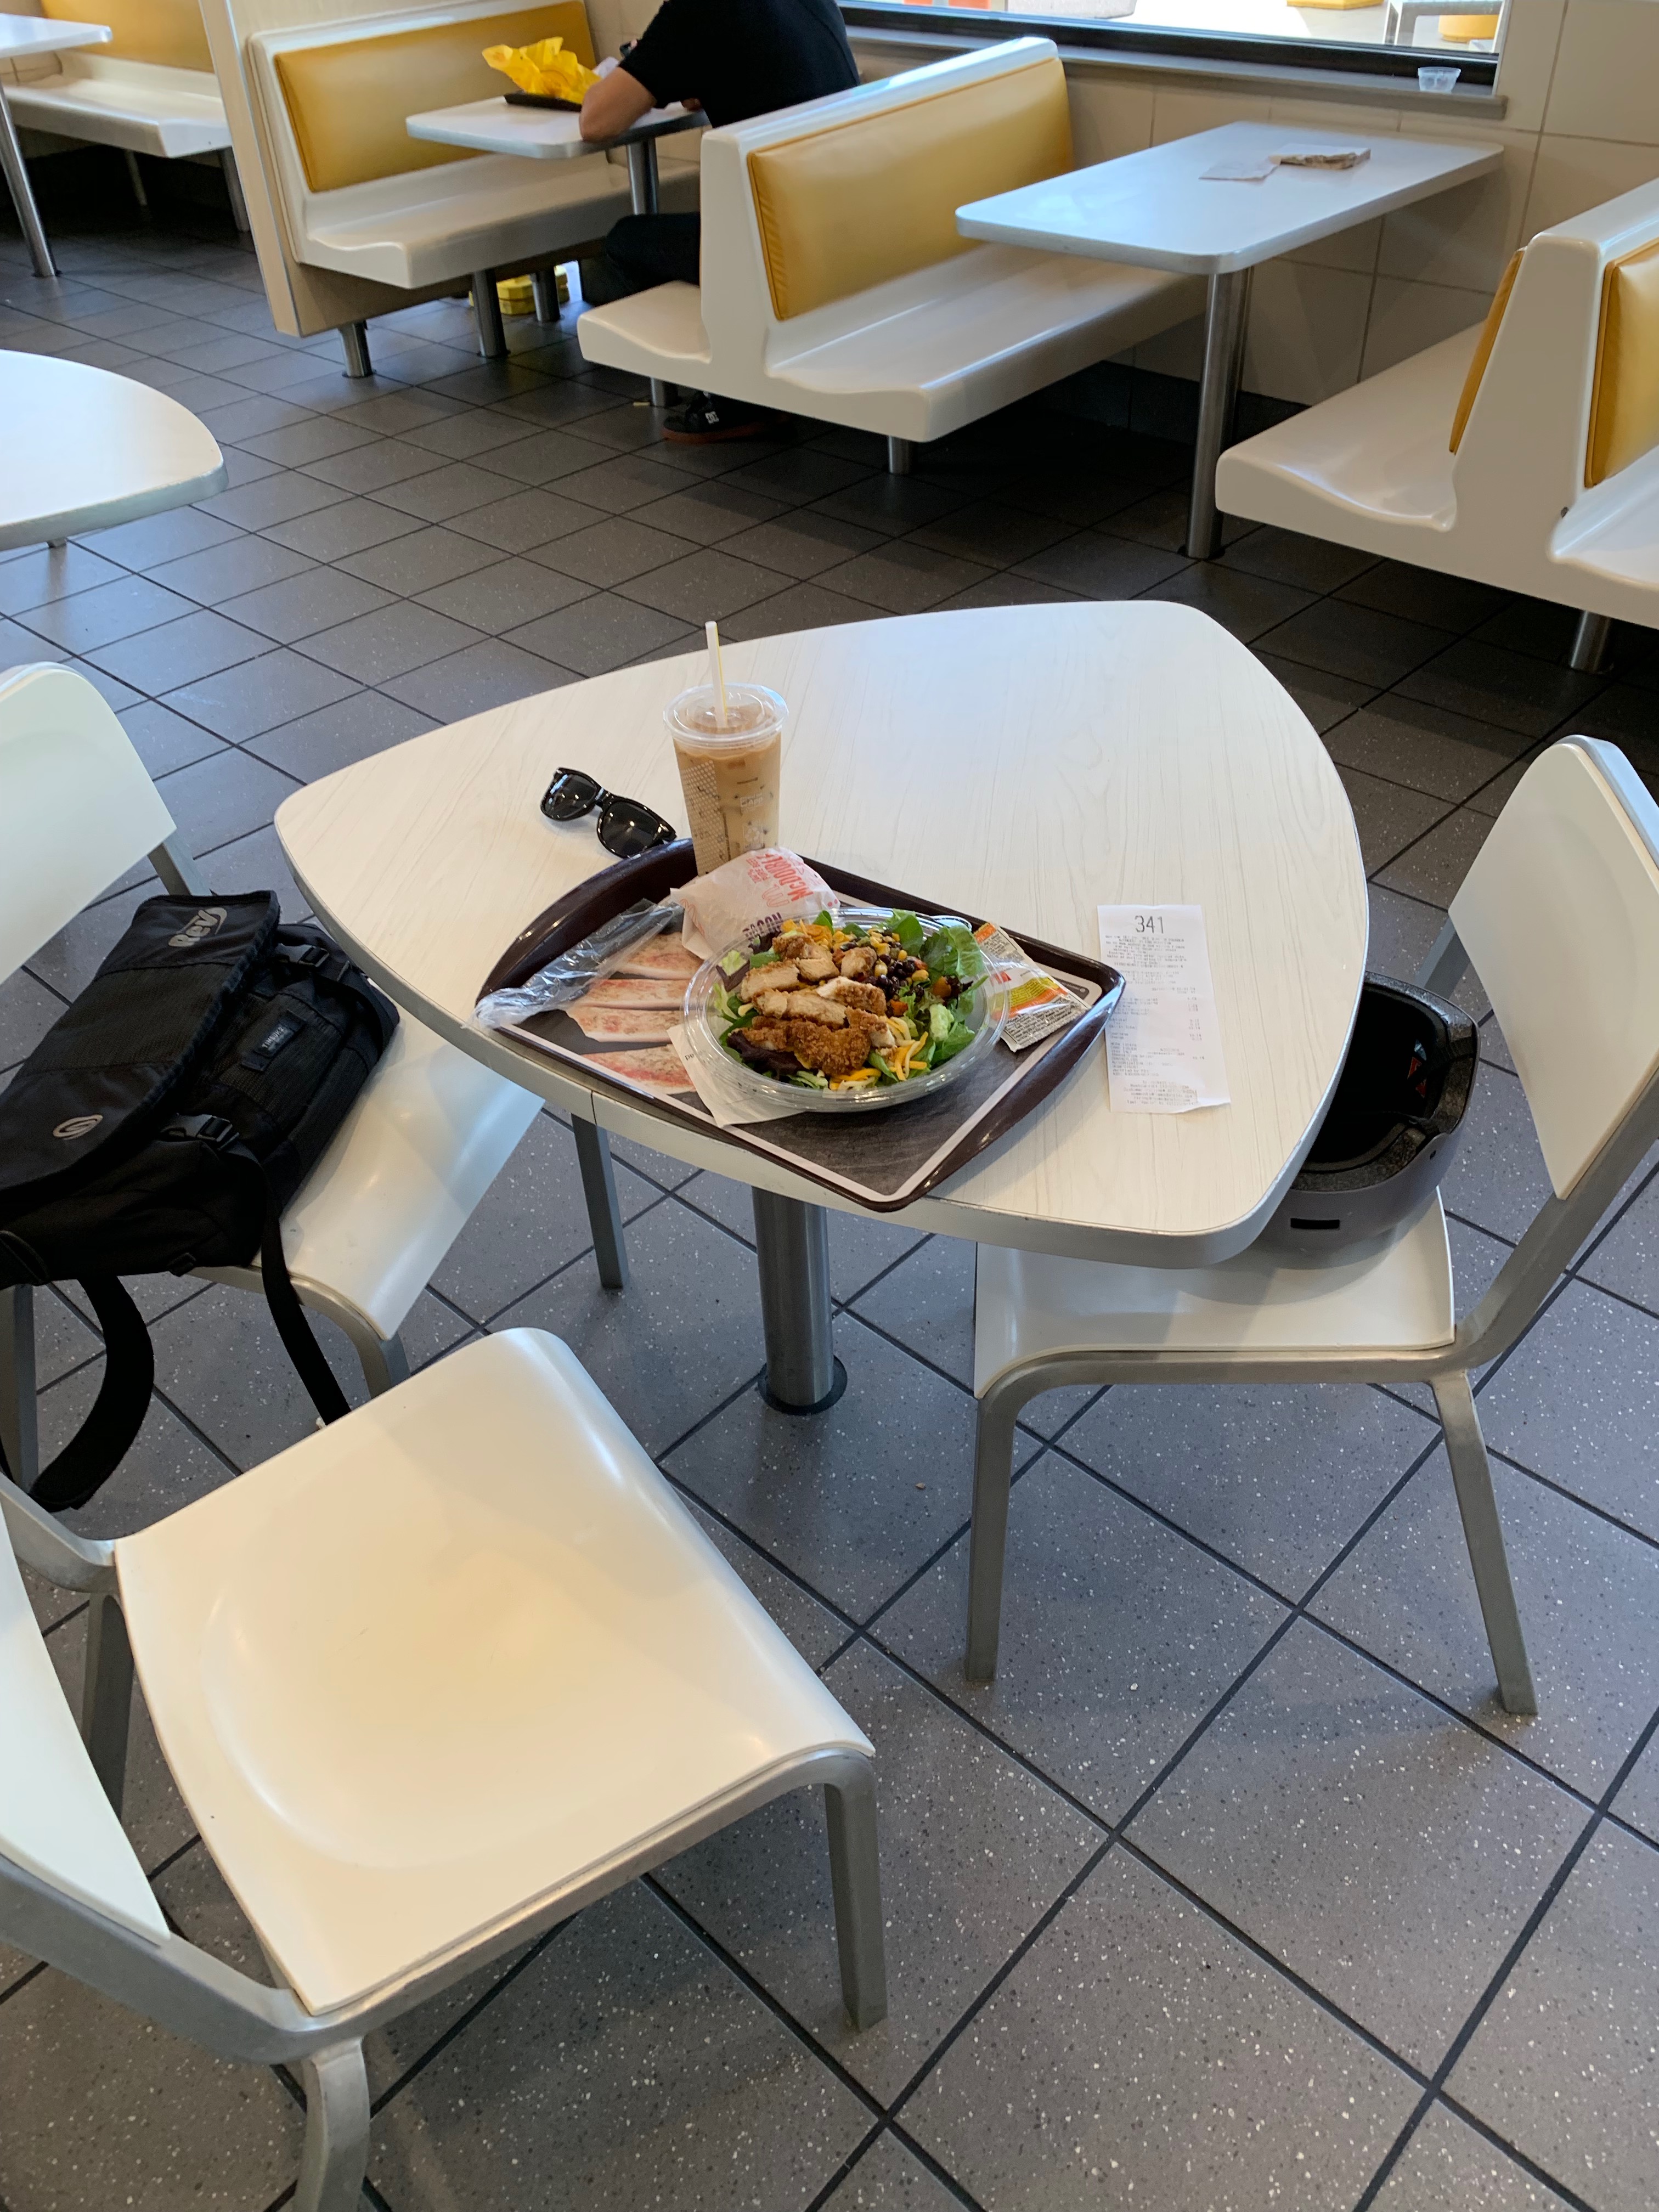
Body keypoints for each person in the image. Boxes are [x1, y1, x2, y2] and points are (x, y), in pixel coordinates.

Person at [578, 0, 859, 442]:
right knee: (706, 234)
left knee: (623, 242)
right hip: (849, 225)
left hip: (778, 249)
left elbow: (596, 120)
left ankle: (735, 392)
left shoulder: (697, 10)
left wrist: (644, 62)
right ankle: (749, 368)